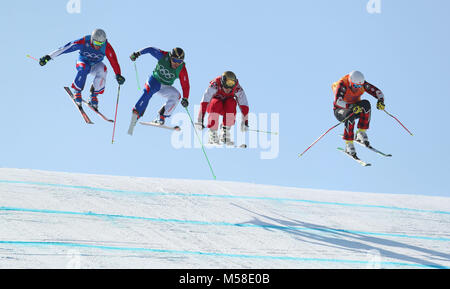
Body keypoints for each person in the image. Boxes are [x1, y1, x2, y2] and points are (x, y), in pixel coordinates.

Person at [39, 29, 125, 109]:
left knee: (103, 70)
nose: (98, 46)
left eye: (100, 44)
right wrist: (49, 57)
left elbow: (114, 61)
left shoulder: (106, 47)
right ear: (92, 39)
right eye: (96, 43)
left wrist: (118, 75)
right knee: (84, 68)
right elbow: (66, 48)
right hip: (83, 62)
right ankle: (77, 91)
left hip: (95, 65)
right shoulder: (84, 41)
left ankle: (94, 95)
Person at [128, 47, 190, 135]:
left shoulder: (182, 69)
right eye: (174, 60)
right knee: (148, 92)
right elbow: (150, 49)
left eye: (179, 61)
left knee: (177, 96)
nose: (176, 63)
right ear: (170, 57)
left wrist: (186, 98)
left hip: (165, 86)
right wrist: (137, 53)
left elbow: (186, 85)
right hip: (154, 80)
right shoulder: (163, 56)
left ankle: (162, 116)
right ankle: (137, 112)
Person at [332, 70, 385, 156]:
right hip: (340, 110)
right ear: (350, 82)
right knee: (349, 114)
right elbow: (338, 101)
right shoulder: (342, 84)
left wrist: (380, 101)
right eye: (355, 85)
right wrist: (351, 107)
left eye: (359, 86)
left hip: (355, 108)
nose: (357, 88)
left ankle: (361, 132)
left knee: (366, 104)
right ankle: (349, 144)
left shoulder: (362, 84)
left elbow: (377, 91)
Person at [197, 71, 249, 145]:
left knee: (232, 102)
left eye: (230, 88)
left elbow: (244, 104)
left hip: (226, 108)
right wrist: (200, 119)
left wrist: (245, 122)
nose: (228, 89)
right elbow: (204, 101)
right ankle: (213, 132)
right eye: (226, 87)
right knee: (216, 102)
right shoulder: (215, 84)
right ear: (222, 83)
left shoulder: (237, 88)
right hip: (213, 106)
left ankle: (225, 131)